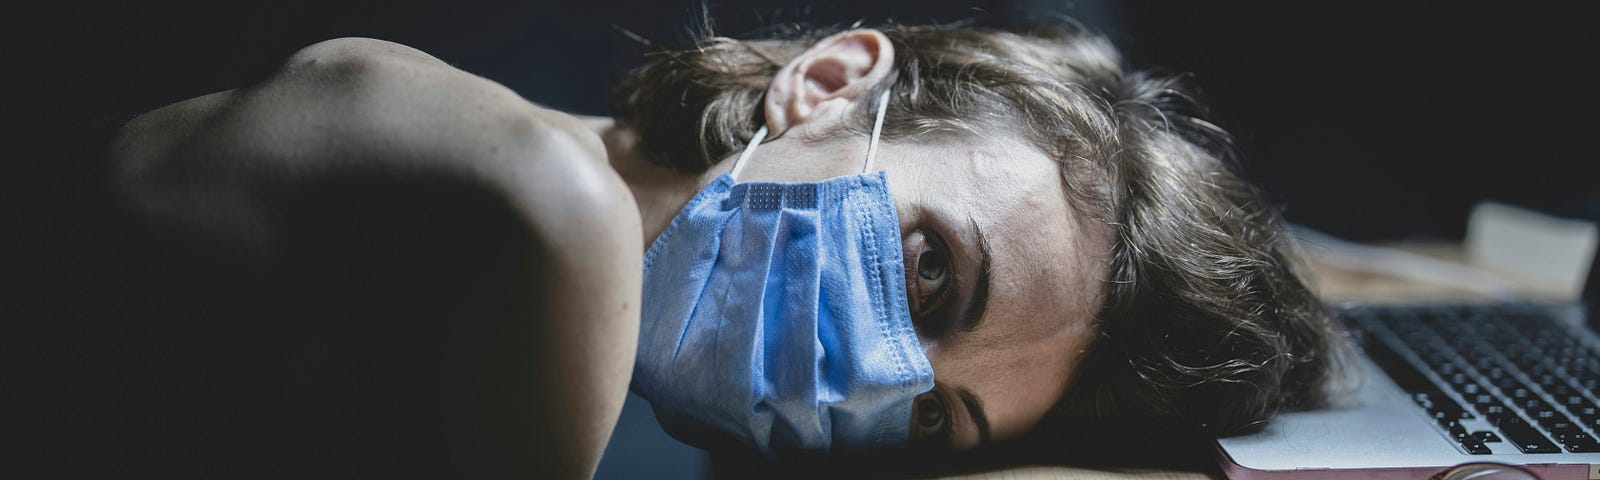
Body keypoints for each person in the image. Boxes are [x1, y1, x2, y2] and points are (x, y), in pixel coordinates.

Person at [61, 17, 1344, 479]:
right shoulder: (545, 224)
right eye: (927, 273)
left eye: (929, 425)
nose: (869, 386)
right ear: (831, 84)